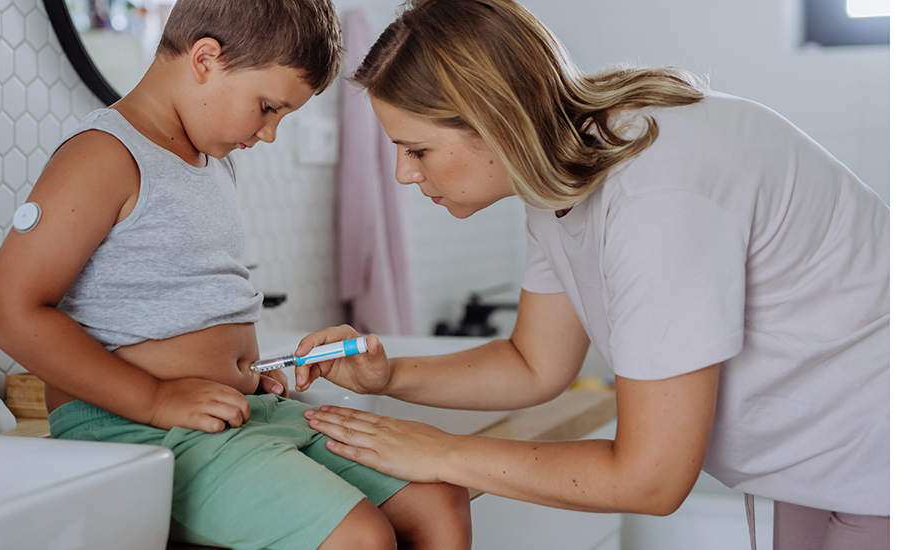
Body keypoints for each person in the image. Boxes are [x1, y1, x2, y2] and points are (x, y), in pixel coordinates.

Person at [293, 0, 889, 548]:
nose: (402, 174)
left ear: (494, 120)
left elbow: (651, 480)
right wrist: (384, 375)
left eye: (416, 150)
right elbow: (535, 364)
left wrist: (444, 455)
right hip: (818, 464)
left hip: (873, 454)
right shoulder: (564, 177)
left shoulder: (657, 192)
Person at [0, 1, 472, 548]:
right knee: (360, 538)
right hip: (132, 426)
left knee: (440, 501)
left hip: (237, 413)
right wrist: (154, 398)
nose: (269, 134)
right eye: (267, 107)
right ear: (206, 59)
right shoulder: (103, 156)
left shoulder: (209, 160)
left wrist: (237, 375)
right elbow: (8, 311)